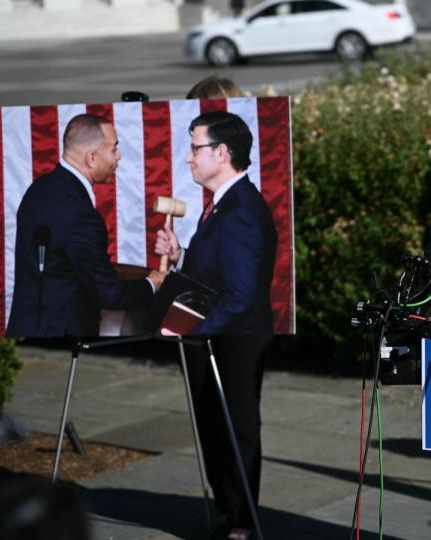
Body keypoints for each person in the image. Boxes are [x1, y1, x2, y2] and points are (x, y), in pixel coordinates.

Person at [154, 111, 276, 540]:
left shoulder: (240, 207)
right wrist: (182, 254)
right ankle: (229, 513)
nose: (188, 159)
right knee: (213, 426)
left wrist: (192, 329)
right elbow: (219, 274)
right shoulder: (224, 203)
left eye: (195, 148)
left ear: (222, 153)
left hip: (234, 340)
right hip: (215, 337)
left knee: (234, 427)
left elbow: (240, 294)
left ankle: (241, 521)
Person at [6, 114, 164, 337]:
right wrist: (152, 284)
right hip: (61, 337)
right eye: (114, 149)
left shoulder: (38, 190)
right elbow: (109, 294)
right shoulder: (82, 216)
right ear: (91, 158)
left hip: (24, 327)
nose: (118, 157)